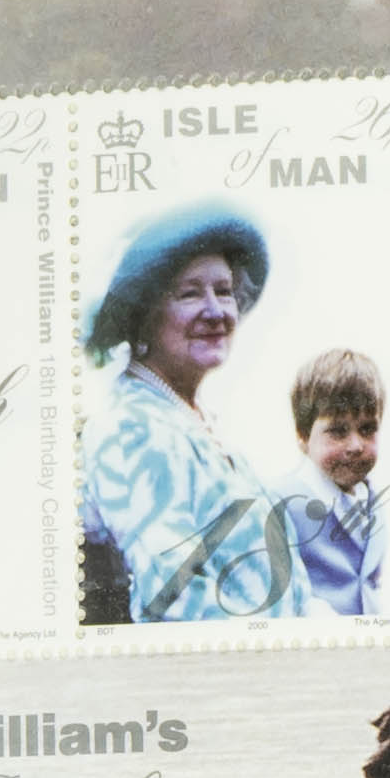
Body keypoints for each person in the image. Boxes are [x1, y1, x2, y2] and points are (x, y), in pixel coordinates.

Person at [76, 200, 296, 626]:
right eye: (190, 293)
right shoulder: (131, 430)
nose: (215, 312)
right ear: (143, 315)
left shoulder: (193, 420)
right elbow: (175, 604)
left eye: (224, 291)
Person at [278, 347, 390, 615]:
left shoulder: (373, 500)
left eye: (367, 429)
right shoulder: (281, 501)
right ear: (303, 436)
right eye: (338, 431)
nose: (355, 445)